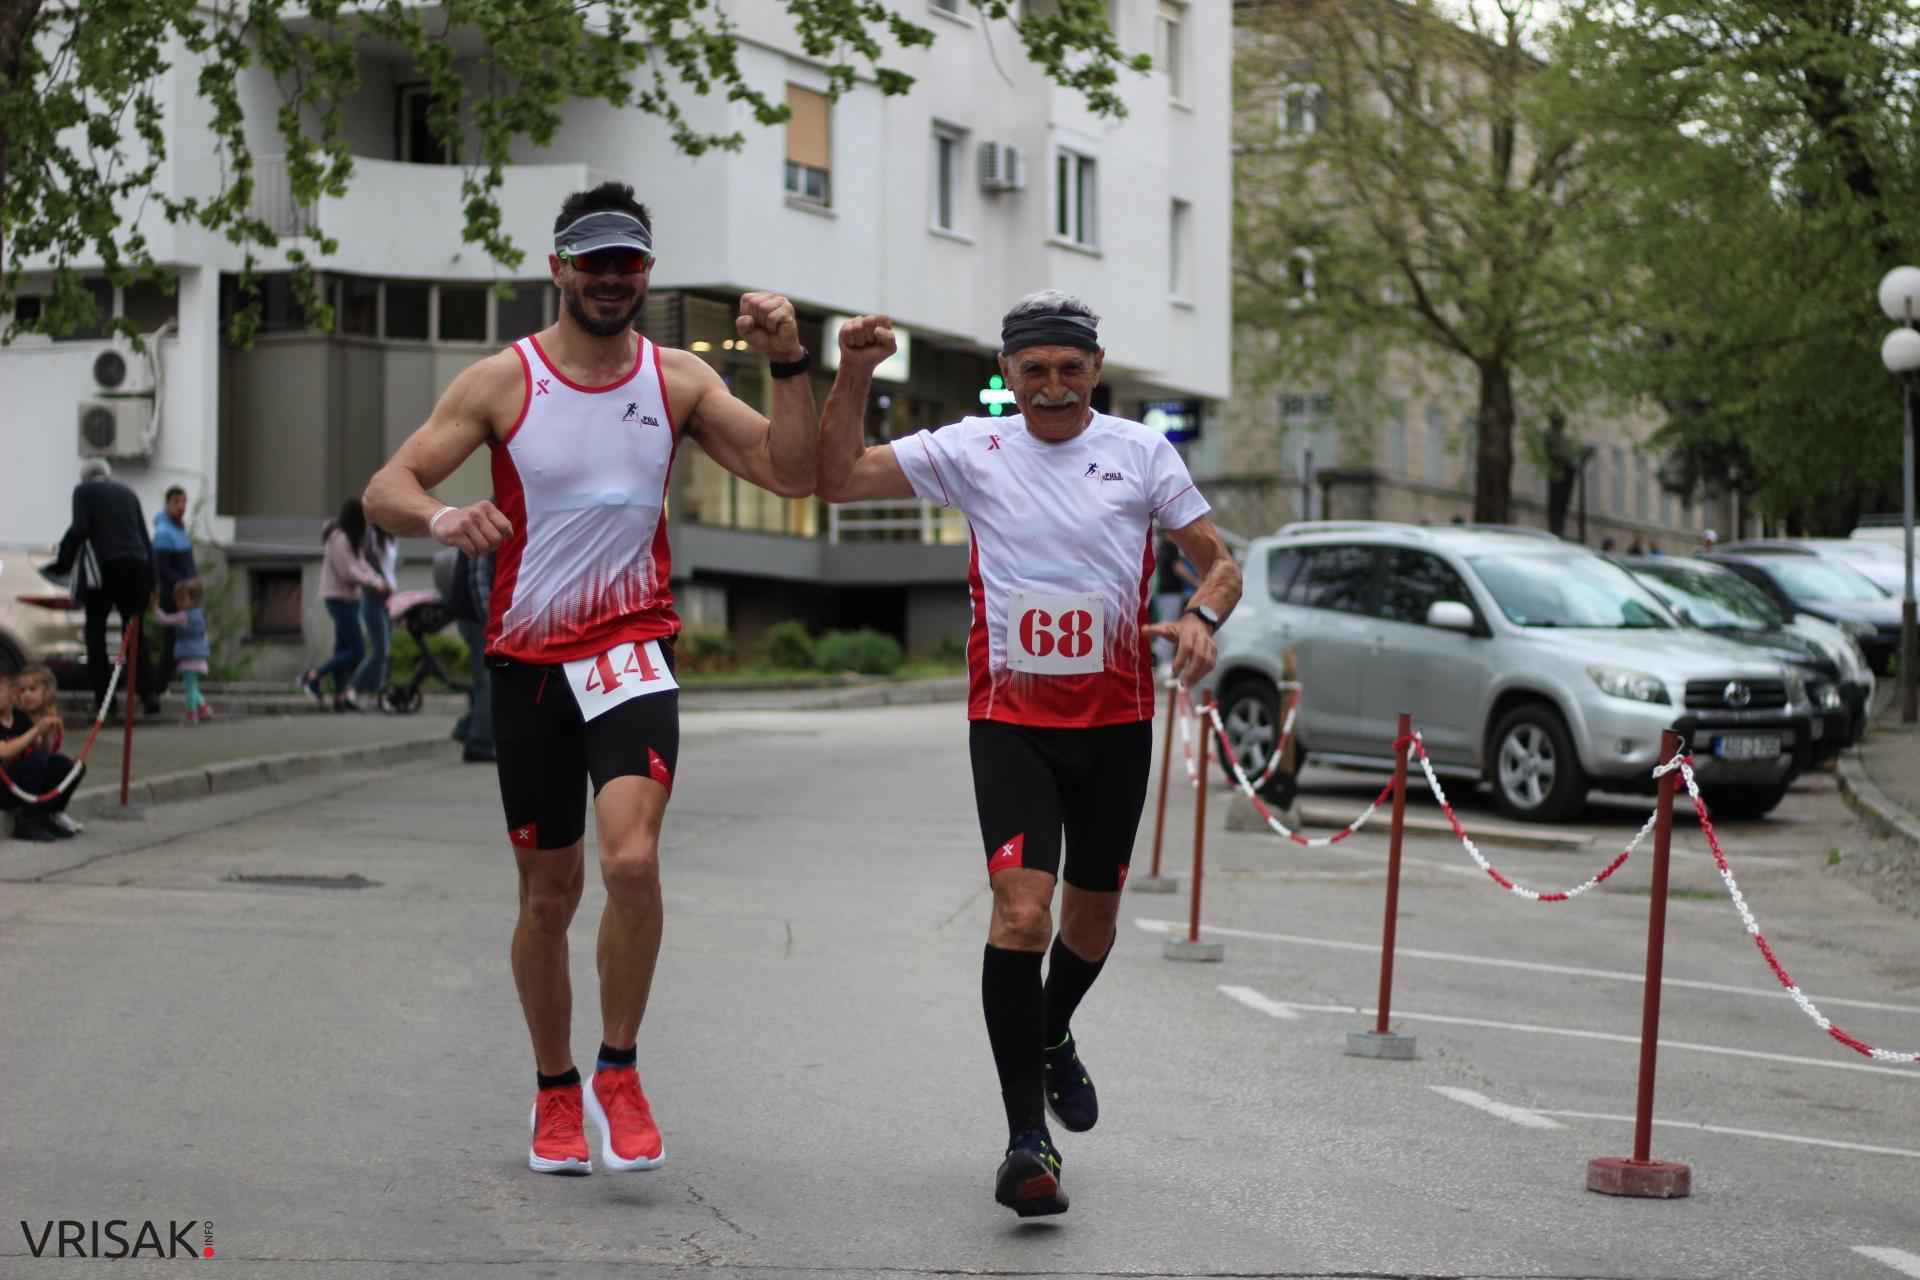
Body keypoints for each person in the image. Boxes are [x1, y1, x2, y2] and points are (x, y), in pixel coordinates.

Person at [363, 181, 819, 1177]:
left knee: (632, 864)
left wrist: (790, 360)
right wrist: (443, 517)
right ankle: (555, 1090)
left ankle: (619, 1067)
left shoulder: (681, 379)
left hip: (628, 649)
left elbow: (790, 470)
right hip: (529, 661)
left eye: (630, 263)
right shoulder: (500, 381)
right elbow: (386, 487)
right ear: (560, 268)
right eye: (595, 262)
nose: (612, 279)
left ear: (646, 272)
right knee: (546, 895)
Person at [815, 292, 1242, 1218]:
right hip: (1010, 722)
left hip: (1118, 722)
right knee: (1021, 915)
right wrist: (852, 371)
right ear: (1008, 374)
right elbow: (838, 476)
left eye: (1070, 368)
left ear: (1096, 368)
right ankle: (1024, 1143)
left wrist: (1202, 618)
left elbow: (1220, 561)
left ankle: (1052, 1032)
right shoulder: (973, 448)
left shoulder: (1140, 452)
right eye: (1033, 369)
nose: (1052, 386)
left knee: (1089, 927)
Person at [50, 459, 159, 717]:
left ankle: (105, 701)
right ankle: (148, 696)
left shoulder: (83, 491)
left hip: (105, 567)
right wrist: (153, 581)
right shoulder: (128, 493)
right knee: (134, 630)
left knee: (95, 631)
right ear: (106, 475)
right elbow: (144, 536)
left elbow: (80, 528)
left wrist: (63, 561)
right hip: (137, 566)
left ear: (85, 478)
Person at [300, 499, 391, 712]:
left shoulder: (351, 540)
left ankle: (340, 698)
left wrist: (378, 581)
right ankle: (313, 677)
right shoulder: (339, 539)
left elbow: (361, 565)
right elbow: (349, 571)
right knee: (357, 650)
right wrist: (376, 584)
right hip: (337, 599)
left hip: (349, 599)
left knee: (342, 648)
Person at [1, 665, 86, 841]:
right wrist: (36, 730)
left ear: (11, 693)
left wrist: (46, 733)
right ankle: (26, 821)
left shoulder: (20, 718)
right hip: (3, 789)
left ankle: (44, 815)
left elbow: (44, 753)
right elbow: (5, 752)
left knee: (62, 763)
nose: (26, 695)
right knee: (36, 761)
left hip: (20, 787)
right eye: (24, 690)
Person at [152, 485, 197, 697]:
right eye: (176, 502)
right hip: (173, 596)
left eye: (184, 501)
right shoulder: (164, 533)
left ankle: (164, 684)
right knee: (172, 641)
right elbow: (163, 568)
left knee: (180, 640)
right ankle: (159, 686)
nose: (181, 507)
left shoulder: (179, 530)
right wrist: (183, 584)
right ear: (168, 504)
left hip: (185, 595)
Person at [350, 523, 400, 711]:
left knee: (384, 651)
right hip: (373, 599)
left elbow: (393, 565)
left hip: (390, 598)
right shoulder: (370, 535)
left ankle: (375, 694)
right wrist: (380, 585)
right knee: (379, 649)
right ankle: (353, 688)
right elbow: (365, 567)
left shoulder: (392, 536)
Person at [152, 579, 213, 723]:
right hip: (199, 655)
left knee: (190, 687)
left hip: (188, 655)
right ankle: (203, 707)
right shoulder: (199, 615)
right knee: (190, 685)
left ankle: (191, 714)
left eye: (182, 599)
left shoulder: (183, 616)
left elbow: (165, 619)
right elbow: (204, 635)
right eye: (177, 599)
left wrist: (155, 608)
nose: (178, 603)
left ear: (193, 599)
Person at [1151, 530, 1199, 672]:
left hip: (1165, 593)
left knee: (1167, 625)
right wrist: (1195, 581)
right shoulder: (1170, 546)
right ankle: (1162, 662)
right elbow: (1178, 567)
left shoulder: (1163, 547)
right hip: (1169, 593)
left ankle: (1161, 661)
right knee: (1169, 626)